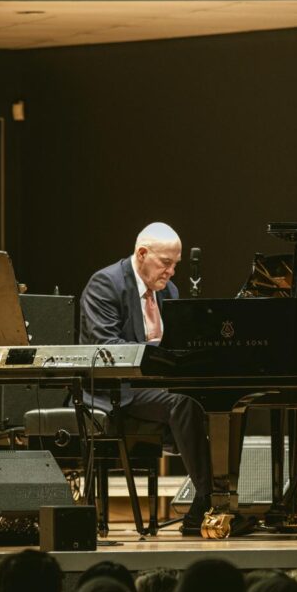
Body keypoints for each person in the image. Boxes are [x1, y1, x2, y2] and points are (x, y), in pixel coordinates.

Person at [79, 222, 212, 535]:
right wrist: (160, 355)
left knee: (214, 396)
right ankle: (208, 496)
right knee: (184, 401)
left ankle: (220, 494)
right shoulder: (106, 284)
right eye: (165, 263)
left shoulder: (170, 291)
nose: (171, 272)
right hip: (116, 388)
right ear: (141, 254)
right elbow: (108, 348)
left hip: (153, 385)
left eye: (175, 265)